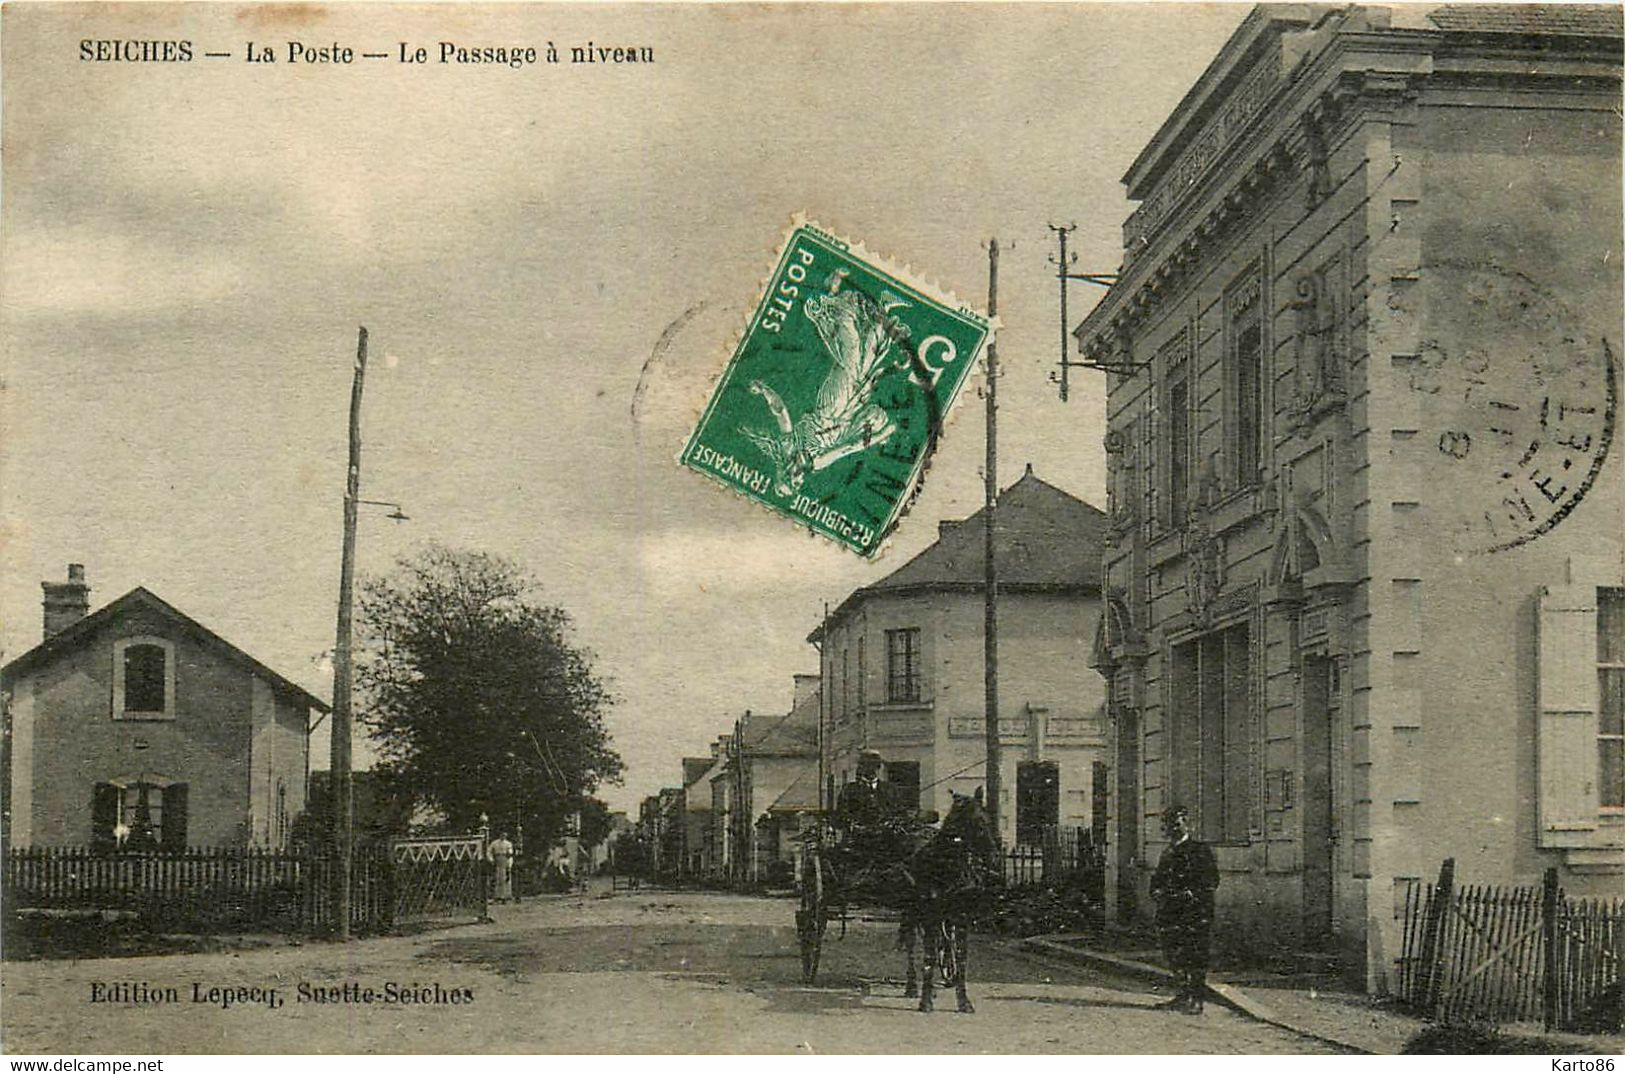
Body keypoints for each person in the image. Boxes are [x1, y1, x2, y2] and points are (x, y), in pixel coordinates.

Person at [1150, 805, 1219, 1013]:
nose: (1173, 829)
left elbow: (1212, 880)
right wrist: (1155, 892)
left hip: (1194, 913)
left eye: (1177, 824)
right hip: (1170, 913)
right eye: (1169, 825)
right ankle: (1182, 995)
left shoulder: (1200, 850)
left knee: (1195, 956)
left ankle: (1196, 1000)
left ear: (1187, 824)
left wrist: (1191, 894)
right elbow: (1157, 881)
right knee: (1174, 955)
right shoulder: (1167, 852)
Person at [487, 831, 515, 903]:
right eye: (502, 835)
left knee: (505, 878)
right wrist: (491, 859)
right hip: (497, 859)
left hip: (505, 859)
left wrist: (509, 860)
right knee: (497, 878)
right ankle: (497, 896)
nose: (503, 836)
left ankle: (505, 896)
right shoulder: (494, 843)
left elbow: (510, 853)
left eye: (505, 835)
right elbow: (489, 851)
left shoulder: (508, 843)